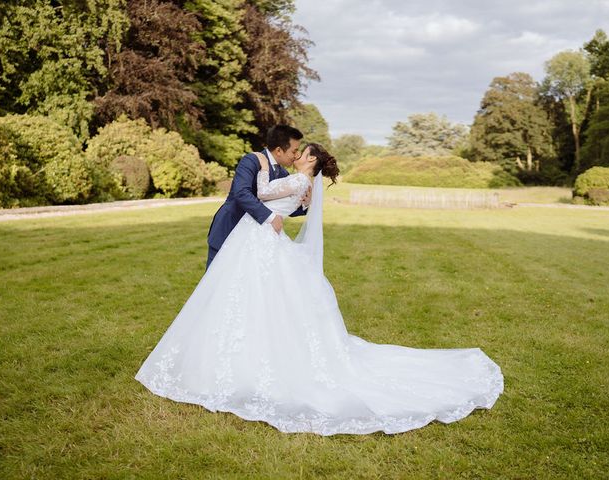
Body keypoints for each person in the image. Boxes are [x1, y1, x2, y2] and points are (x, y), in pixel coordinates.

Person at [134, 142, 504, 436]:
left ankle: (237, 361)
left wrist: (262, 167)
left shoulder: (296, 180)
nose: (295, 156)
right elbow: (285, 203)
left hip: (260, 240)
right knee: (248, 299)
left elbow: (258, 193)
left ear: (309, 159)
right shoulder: (302, 185)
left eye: (301, 153)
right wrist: (292, 197)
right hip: (259, 240)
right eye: (293, 151)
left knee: (247, 298)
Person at [205, 124, 310, 269]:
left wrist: (305, 205)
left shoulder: (284, 174)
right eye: (294, 151)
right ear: (279, 150)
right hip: (228, 230)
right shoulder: (251, 160)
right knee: (214, 284)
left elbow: (283, 206)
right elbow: (241, 193)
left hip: (252, 242)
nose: (296, 156)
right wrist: (271, 217)